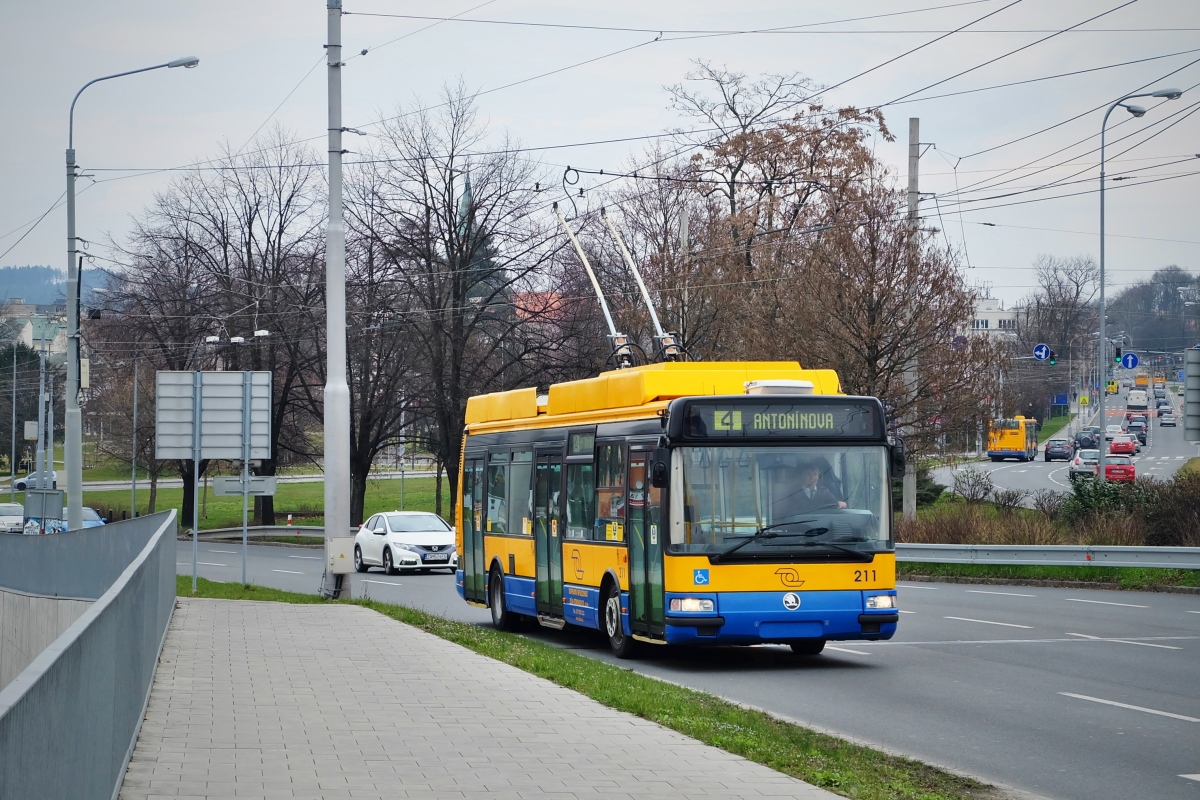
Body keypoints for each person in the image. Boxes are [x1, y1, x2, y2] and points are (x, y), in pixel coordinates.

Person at [774, 462, 847, 521]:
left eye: (815, 474)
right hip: (800, 527)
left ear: (818, 477)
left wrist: (840, 503)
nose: (812, 478)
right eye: (808, 474)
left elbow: (834, 503)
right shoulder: (794, 493)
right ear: (802, 476)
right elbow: (790, 514)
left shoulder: (824, 492)